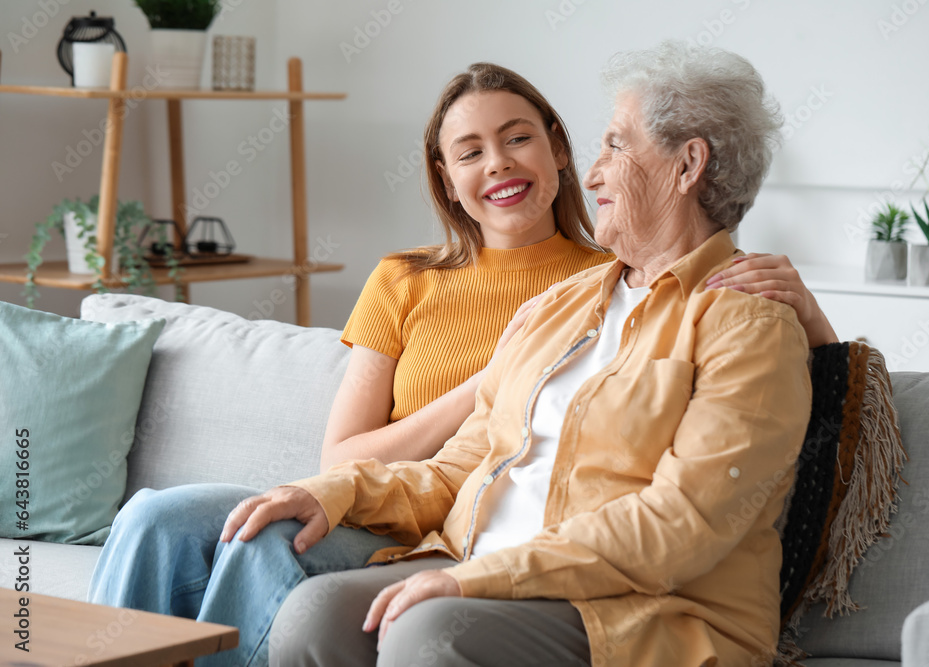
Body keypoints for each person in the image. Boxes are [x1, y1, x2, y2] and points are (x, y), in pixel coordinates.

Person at [89, 57, 832, 667]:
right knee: (310, 611)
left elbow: (683, 525)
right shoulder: (562, 309)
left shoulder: (747, 319)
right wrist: (332, 493)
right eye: (469, 151)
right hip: (484, 563)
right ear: (446, 175)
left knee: (425, 632)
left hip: (641, 608)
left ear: (687, 165)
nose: (596, 171)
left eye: (614, 143)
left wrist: (473, 575)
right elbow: (461, 469)